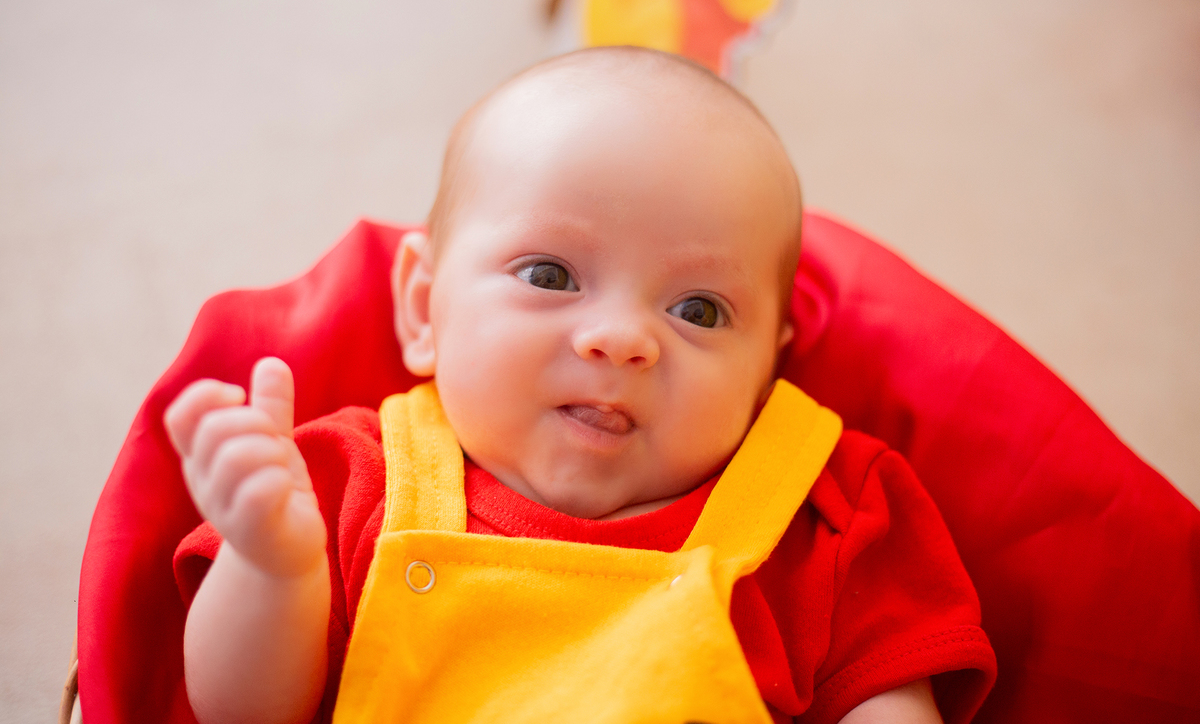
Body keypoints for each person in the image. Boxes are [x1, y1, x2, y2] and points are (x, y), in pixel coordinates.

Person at [164, 47, 996, 724]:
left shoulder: (824, 519)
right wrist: (272, 567)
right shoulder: (346, 486)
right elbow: (241, 710)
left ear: (768, 366)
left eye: (699, 309)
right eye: (552, 273)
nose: (622, 338)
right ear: (424, 306)